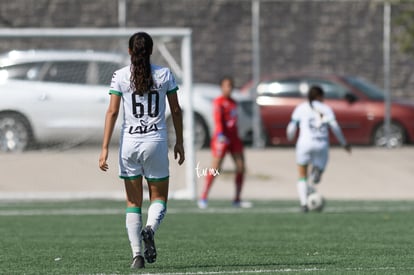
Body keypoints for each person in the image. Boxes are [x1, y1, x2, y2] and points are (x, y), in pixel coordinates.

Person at [98, 32, 185, 269]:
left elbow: (112, 112)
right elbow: (176, 111)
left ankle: (137, 255)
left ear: (129, 51)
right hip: (155, 142)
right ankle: (150, 229)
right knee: (158, 198)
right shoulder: (164, 74)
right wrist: (179, 141)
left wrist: (105, 147)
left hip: (129, 144)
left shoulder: (120, 76)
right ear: (151, 50)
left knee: (132, 202)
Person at [286, 85, 351, 212]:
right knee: (317, 173)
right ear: (320, 96)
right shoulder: (326, 109)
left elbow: (291, 127)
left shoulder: (301, 108)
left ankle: (304, 204)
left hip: (304, 143)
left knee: (302, 175)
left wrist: (290, 137)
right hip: (321, 144)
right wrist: (344, 143)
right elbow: (335, 127)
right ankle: (317, 173)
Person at [198, 76, 251, 209]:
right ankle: (203, 196)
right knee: (216, 168)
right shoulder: (218, 102)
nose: (229, 88)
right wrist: (221, 135)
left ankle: (237, 199)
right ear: (222, 87)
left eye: (231, 85)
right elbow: (218, 119)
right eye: (227, 85)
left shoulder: (234, 102)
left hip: (234, 138)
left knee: (241, 167)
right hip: (221, 138)